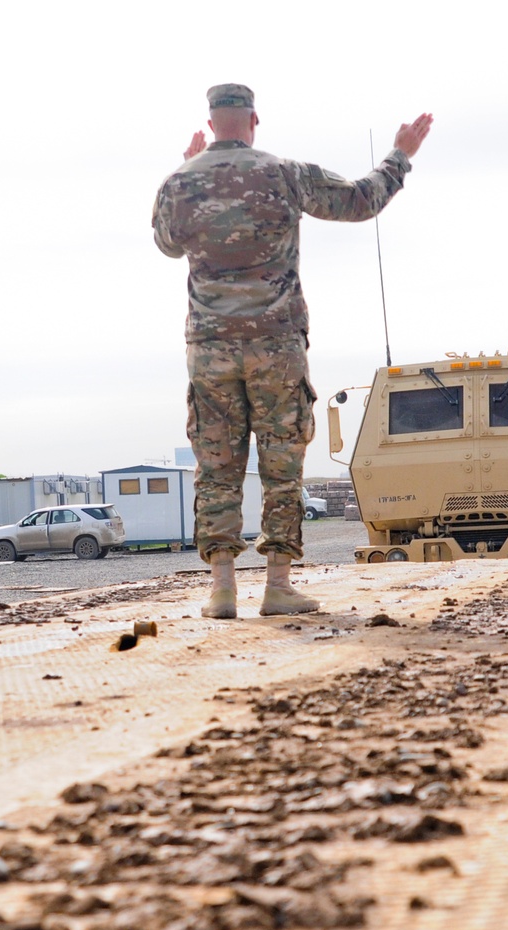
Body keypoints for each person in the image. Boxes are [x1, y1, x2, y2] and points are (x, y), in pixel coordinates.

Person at [152, 84, 432, 618]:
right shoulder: (284, 173)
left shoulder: (181, 182)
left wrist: (186, 172)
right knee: (281, 466)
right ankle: (278, 586)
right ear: (253, 120)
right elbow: (359, 201)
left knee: (216, 466)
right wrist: (400, 156)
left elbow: (167, 244)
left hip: (209, 350)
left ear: (210, 124)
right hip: (277, 346)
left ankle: (222, 590)